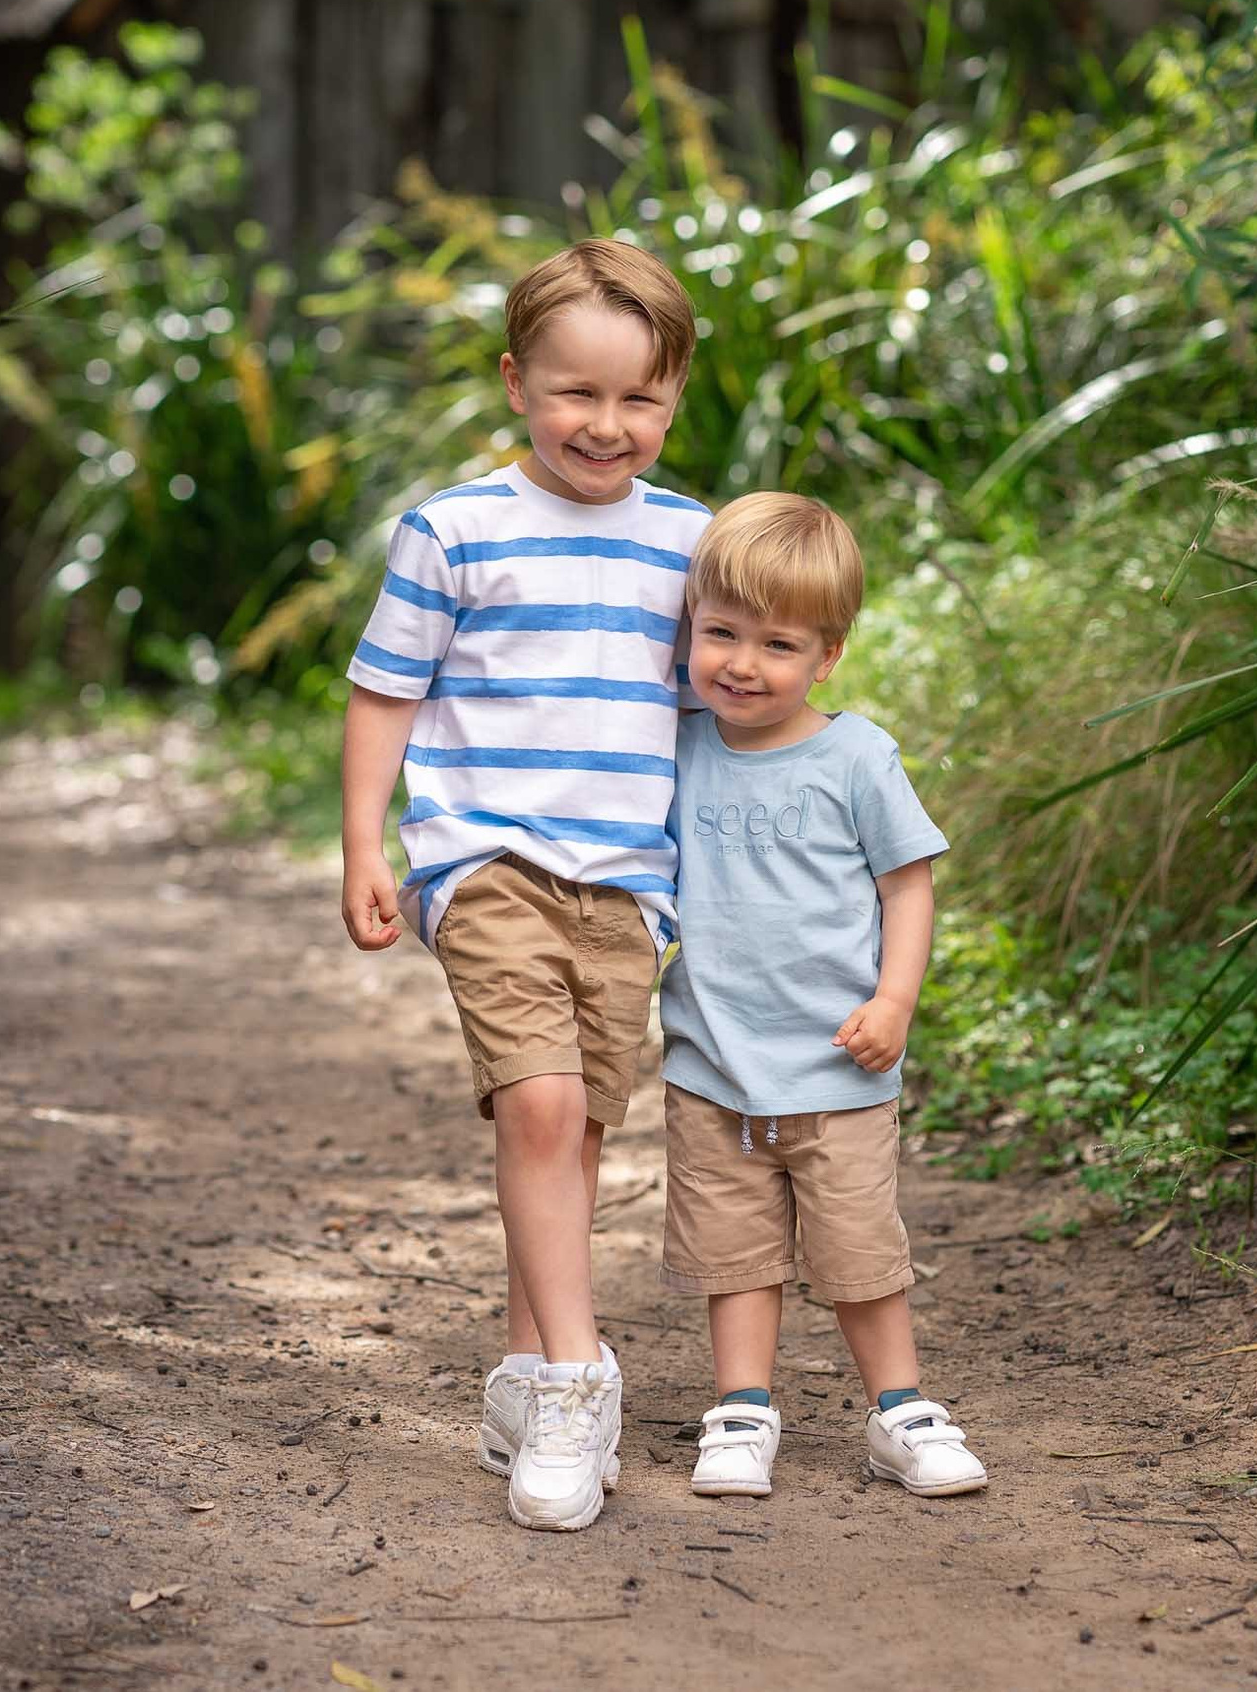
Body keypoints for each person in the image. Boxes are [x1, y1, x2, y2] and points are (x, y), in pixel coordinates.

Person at [337, 238, 709, 1531]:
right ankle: (572, 1376)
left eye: (639, 400)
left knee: (570, 1131)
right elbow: (384, 691)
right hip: (485, 860)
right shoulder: (455, 530)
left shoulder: (692, 544)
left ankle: (516, 1378)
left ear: (673, 400)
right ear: (514, 382)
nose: (606, 426)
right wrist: (366, 844)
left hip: (629, 886)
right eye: (576, 394)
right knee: (544, 1106)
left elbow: (715, 717)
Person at [658, 492, 990, 1501]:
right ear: (688, 628)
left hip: (837, 1070)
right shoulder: (674, 747)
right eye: (719, 633)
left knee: (857, 1252)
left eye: (777, 643)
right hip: (711, 1063)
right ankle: (742, 1411)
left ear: (827, 654)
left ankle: (901, 1412)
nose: (742, 663)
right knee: (734, 1252)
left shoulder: (855, 755)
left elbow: (907, 882)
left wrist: (894, 1000)